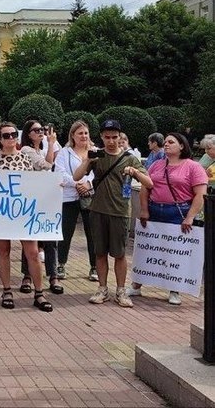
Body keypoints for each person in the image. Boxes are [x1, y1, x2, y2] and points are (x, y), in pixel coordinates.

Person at [74, 119, 152, 308]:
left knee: (119, 254)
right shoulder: (97, 156)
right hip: (98, 210)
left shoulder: (129, 157)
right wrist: (87, 160)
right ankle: (102, 288)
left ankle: (121, 289)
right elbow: (76, 177)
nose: (111, 141)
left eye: (114, 137)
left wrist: (134, 172)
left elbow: (149, 183)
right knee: (100, 252)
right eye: (107, 137)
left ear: (120, 137)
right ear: (101, 136)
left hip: (120, 211)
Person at [129, 132, 208, 305]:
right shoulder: (156, 165)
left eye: (171, 142)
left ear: (182, 146)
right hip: (154, 209)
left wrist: (190, 217)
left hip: (178, 212)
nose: (166, 144)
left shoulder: (193, 167)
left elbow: (200, 195)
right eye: (165, 142)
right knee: (148, 248)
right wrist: (144, 209)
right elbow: (145, 188)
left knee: (175, 251)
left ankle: (174, 289)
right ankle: (137, 284)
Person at [0, 122, 52, 312]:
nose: (10, 138)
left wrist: (55, 187)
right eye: (5, 135)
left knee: (32, 252)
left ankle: (39, 293)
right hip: (2, 211)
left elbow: (42, 176)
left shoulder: (26, 157)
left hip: (24, 211)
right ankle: (7, 290)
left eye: (13, 134)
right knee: (4, 250)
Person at [18, 120, 62, 295]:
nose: (40, 132)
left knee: (51, 238)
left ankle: (53, 275)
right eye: (36, 130)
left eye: (42, 129)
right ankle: (27, 275)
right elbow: (46, 165)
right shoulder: (26, 150)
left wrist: (50, 145)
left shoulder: (41, 149)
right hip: (31, 199)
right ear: (28, 134)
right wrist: (51, 144)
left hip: (46, 197)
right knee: (30, 239)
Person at [55, 121, 97, 282]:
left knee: (92, 233)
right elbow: (60, 172)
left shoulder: (94, 152)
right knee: (66, 232)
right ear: (72, 135)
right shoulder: (64, 153)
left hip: (89, 197)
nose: (84, 136)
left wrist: (88, 184)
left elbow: (97, 172)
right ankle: (61, 264)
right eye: (80, 133)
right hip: (69, 196)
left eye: (86, 133)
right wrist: (77, 183)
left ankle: (94, 267)